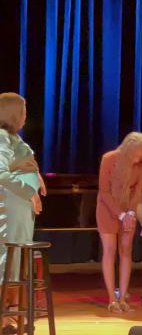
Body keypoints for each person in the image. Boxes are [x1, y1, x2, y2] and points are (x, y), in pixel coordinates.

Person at [0, 93, 43, 333]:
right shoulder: (2, 138)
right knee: (7, 263)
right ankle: (4, 318)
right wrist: (29, 190)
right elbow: (1, 173)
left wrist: (35, 177)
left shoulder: (12, 138)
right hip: (10, 208)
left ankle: (10, 316)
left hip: (19, 209)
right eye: (23, 111)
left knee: (14, 264)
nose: (26, 116)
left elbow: (22, 164)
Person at [96, 132, 142, 312]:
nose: (137, 159)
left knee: (126, 250)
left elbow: (138, 190)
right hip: (108, 209)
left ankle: (123, 296)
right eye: (135, 155)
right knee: (110, 250)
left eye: (141, 156)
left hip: (128, 210)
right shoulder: (109, 159)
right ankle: (112, 298)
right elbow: (104, 192)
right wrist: (120, 215)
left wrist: (130, 213)